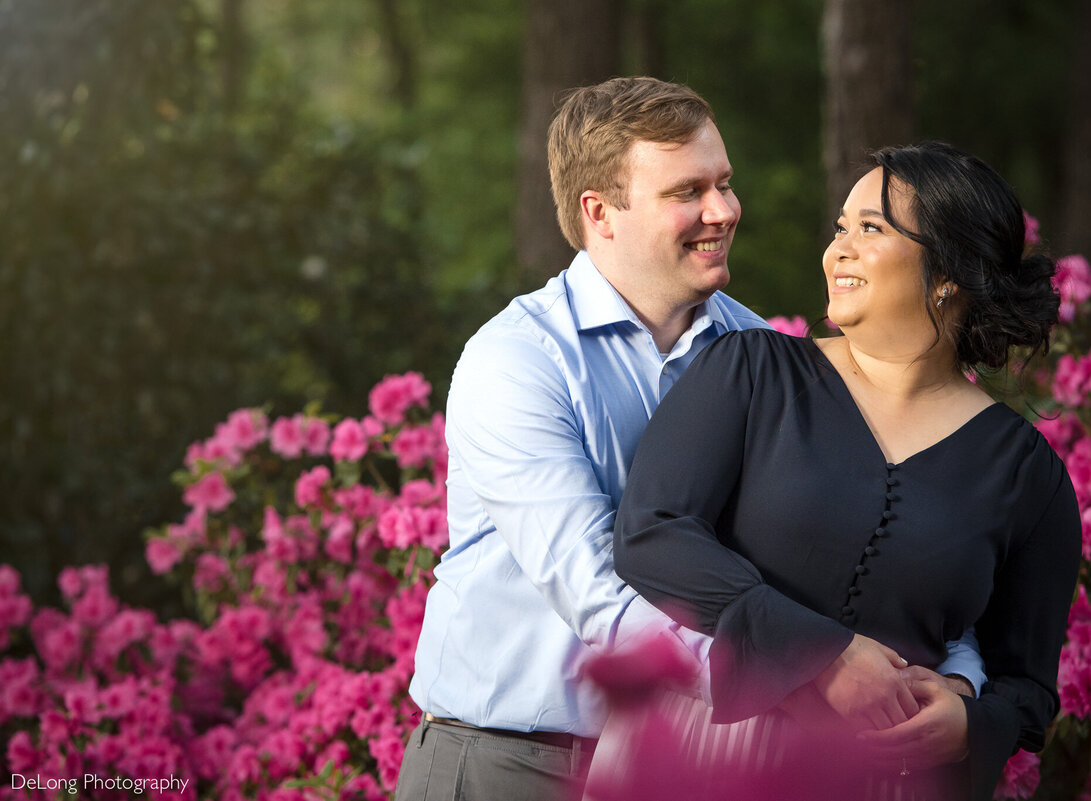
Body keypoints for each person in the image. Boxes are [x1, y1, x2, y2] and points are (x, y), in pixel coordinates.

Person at [394, 79, 985, 801]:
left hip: (696, 765)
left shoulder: (769, 354)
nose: (725, 211)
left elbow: (878, 543)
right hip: (512, 763)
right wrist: (811, 666)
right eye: (688, 191)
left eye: (725, 183)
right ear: (599, 212)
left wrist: (957, 682)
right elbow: (600, 593)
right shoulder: (518, 362)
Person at [612, 141, 1083, 801]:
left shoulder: (1029, 475)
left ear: (949, 272)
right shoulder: (751, 372)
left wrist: (968, 722)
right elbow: (651, 533)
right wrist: (820, 651)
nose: (839, 249)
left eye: (871, 229)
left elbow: (1028, 688)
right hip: (712, 757)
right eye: (841, 228)